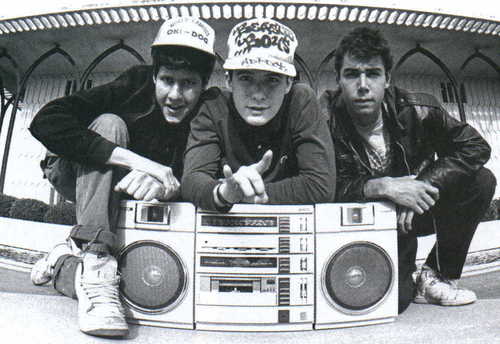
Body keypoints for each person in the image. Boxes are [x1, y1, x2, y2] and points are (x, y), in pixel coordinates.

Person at [28, 17, 217, 337]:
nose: (175, 94)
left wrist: (166, 186)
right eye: (167, 80)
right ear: (154, 75)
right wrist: (142, 163)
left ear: (203, 85)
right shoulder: (134, 84)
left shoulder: (208, 112)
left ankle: (63, 261)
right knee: (109, 123)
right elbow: (45, 121)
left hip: (130, 186)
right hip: (72, 171)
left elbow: (199, 176)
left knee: (135, 288)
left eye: (188, 83)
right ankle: (97, 262)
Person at [320, 27, 496, 314]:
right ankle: (404, 277)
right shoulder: (324, 120)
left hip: (412, 215)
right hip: (358, 221)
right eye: (352, 74)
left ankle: (435, 275)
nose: (363, 85)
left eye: (373, 73)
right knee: (395, 301)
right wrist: (383, 186)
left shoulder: (417, 108)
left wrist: (420, 185)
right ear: (338, 78)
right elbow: (320, 187)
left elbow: (476, 147)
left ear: (387, 78)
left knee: (481, 180)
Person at [181, 18, 335, 210]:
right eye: (246, 78)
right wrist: (224, 193)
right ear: (229, 80)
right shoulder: (213, 105)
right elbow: (192, 179)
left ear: (288, 83)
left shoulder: (301, 100)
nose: (258, 94)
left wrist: (247, 195)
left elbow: (320, 186)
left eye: (272, 79)